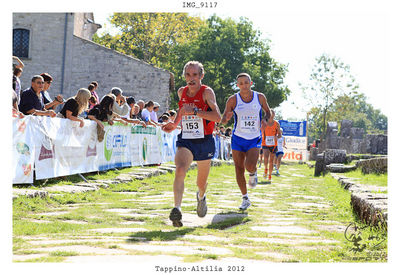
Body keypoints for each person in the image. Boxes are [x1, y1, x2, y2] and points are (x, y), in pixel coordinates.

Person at [161, 61, 222, 227]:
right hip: (186, 138)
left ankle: (201, 196)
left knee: (201, 183)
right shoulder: (182, 92)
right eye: (188, 75)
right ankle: (177, 209)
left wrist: (196, 111)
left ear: (201, 76)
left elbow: (217, 117)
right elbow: (182, 110)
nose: (191, 78)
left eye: (195, 75)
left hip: (205, 140)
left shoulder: (206, 93)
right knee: (180, 169)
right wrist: (174, 123)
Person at [220, 72, 271, 210]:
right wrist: (226, 118)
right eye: (241, 83)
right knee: (238, 168)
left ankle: (253, 172)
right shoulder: (233, 100)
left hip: (254, 137)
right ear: (237, 85)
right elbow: (223, 119)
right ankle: (245, 198)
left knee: (249, 165)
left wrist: (265, 120)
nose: (244, 85)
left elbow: (268, 112)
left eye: (246, 82)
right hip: (238, 137)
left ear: (251, 83)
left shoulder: (259, 97)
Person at [261, 109, 280, 182]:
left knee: (271, 161)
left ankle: (269, 175)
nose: (272, 114)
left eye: (273, 113)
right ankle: (266, 169)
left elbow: (280, 135)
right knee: (265, 157)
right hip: (265, 143)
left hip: (273, 144)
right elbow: (260, 131)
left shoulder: (276, 124)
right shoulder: (264, 122)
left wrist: (277, 137)